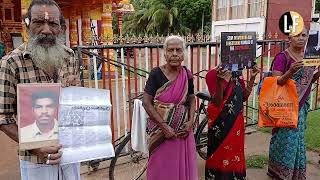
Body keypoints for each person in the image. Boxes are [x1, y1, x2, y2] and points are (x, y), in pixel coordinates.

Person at [0, 0, 81, 179]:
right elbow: (3, 117)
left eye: (52, 23)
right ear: (27, 24)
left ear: (61, 27)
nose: (46, 30)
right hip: (34, 159)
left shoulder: (70, 57)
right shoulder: (11, 63)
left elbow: (77, 103)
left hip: (70, 153)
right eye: (38, 22)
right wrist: (36, 147)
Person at [143, 35, 198, 180]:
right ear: (165, 53)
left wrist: (191, 122)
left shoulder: (187, 75)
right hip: (161, 134)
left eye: (178, 50)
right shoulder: (156, 74)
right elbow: (146, 102)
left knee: (181, 168)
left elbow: (191, 99)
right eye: (170, 50)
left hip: (182, 134)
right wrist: (164, 127)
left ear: (183, 54)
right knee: (160, 168)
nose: (174, 54)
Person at [267, 28, 320, 180]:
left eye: (304, 35)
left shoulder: (309, 57)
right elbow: (275, 82)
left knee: (298, 140)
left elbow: (308, 81)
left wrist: (318, 73)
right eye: (297, 35)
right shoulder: (282, 57)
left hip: (301, 106)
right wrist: (290, 72)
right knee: (284, 139)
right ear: (289, 38)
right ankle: (278, 171)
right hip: (285, 108)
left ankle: (294, 173)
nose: (301, 38)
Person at [205, 65, 259, 179]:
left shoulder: (237, 74)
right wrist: (220, 82)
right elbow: (217, 102)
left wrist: (252, 78)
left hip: (236, 124)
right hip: (220, 125)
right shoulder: (212, 74)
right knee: (220, 155)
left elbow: (243, 97)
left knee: (235, 154)